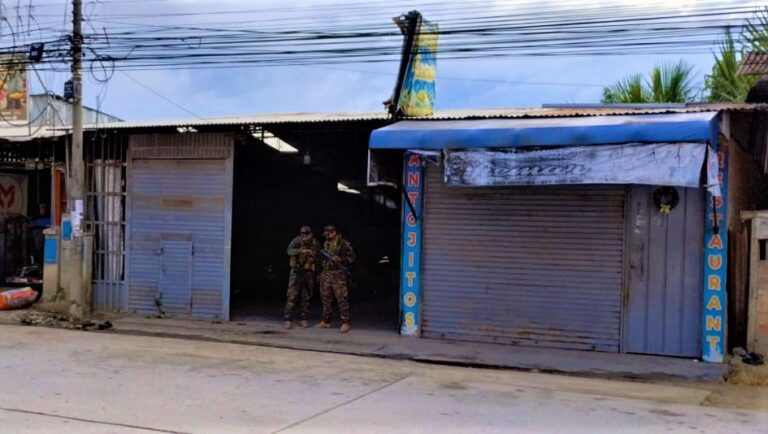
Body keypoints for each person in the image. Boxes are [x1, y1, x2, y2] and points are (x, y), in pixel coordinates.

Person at [315, 225, 355, 333]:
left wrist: (341, 259)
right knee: (325, 298)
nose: (326, 236)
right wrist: (319, 273)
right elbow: (320, 259)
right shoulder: (326, 243)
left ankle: (345, 322)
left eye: (328, 234)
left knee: (342, 299)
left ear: (334, 232)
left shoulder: (343, 243)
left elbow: (352, 257)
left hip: (338, 274)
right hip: (326, 273)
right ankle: (326, 321)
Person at [284, 225, 319, 329]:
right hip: (296, 272)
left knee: (306, 297)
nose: (305, 237)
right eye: (303, 234)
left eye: (307, 234)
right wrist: (301, 251)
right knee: (292, 296)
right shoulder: (296, 241)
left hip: (308, 273)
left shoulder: (315, 243)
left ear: (311, 234)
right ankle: (288, 319)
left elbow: (319, 257)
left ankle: (304, 319)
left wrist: (313, 255)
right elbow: (289, 251)